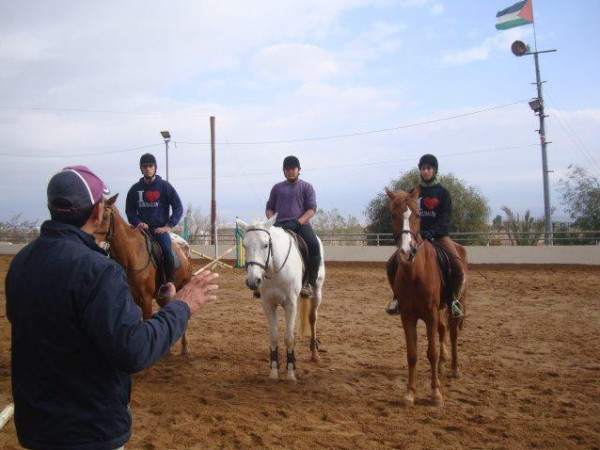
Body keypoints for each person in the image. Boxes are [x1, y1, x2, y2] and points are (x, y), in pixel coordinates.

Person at [6, 165, 219, 450]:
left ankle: (166, 274)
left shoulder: (20, 263)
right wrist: (182, 305)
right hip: (90, 431)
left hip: (35, 428)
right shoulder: (100, 271)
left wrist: (165, 225)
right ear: (98, 213)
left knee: (166, 253)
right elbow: (134, 350)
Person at [386, 154, 465, 317]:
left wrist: (432, 232)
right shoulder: (413, 193)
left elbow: (445, 219)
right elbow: (405, 216)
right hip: (416, 237)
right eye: (423, 168)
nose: (426, 171)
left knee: (457, 266)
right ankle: (397, 299)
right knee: (391, 264)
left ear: (434, 170)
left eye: (428, 168)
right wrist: (415, 233)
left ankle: (453, 301)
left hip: (439, 237)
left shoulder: (443, 193)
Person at [126, 153, 183, 298]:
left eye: (150, 166)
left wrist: (168, 226)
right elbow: (129, 211)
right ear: (141, 169)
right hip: (141, 230)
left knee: (167, 251)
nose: (147, 169)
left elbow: (178, 207)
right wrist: (138, 222)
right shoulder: (134, 189)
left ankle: (169, 282)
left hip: (158, 230)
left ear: (155, 168)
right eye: (144, 166)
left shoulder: (165, 187)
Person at [265, 155, 321, 298]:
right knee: (262, 244)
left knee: (313, 245)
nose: (290, 171)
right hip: (278, 225)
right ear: (283, 171)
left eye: (293, 169)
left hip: (300, 225)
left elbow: (311, 209)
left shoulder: (306, 187)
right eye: (287, 169)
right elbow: (269, 208)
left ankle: (309, 283)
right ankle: (261, 282)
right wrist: (273, 221)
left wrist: (298, 222)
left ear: (299, 170)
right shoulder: (277, 188)